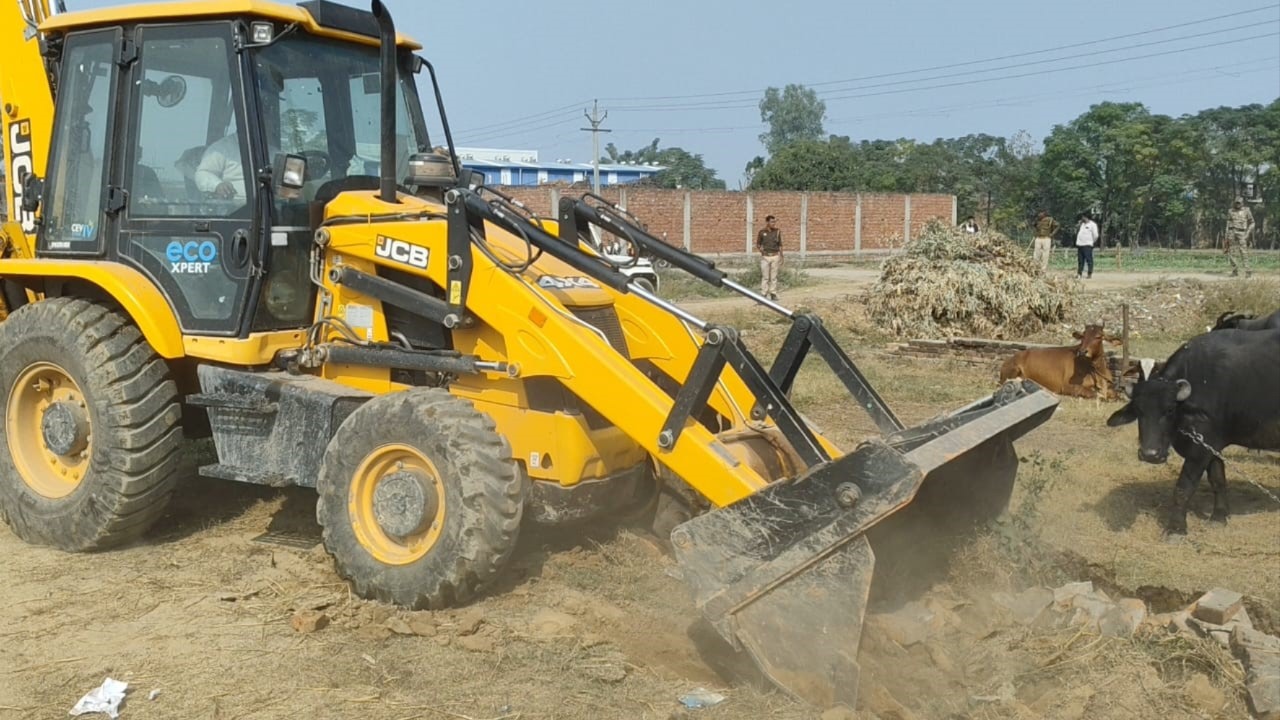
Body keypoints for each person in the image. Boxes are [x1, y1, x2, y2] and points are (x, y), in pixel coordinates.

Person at [194, 132, 247, 199]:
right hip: (238, 205)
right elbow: (202, 173)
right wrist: (217, 185)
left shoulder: (263, 144)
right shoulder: (222, 148)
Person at [1224, 196, 1255, 277]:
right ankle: (1235, 271)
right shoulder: (1230, 211)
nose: (1237, 204)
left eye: (1239, 203)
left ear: (1242, 203)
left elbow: (1252, 222)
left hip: (1242, 233)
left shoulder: (1246, 211)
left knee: (1243, 252)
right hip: (1232, 232)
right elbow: (1228, 222)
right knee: (1231, 252)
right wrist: (1226, 233)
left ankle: (1248, 271)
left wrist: (1248, 233)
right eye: (1236, 202)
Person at [756, 214, 783, 300]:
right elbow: (758, 244)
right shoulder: (762, 232)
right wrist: (762, 252)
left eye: (774, 222)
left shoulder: (777, 231)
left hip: (775, 256)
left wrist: (781, 256)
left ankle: (773, 293)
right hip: (766, 257)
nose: (774, 223)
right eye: (772, 222)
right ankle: (763, 294)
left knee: (774, 277)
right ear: (767, 222)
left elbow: (780, 244)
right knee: (765, 277)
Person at [1075, 212, 1099, 279]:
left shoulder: (1092, 225)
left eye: (1083, 217)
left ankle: (1089, 273)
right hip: (1080, 244)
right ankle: (1079, 273)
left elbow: (1095, 235)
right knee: (1080, 260)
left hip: (1087, 245)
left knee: (1089, 260)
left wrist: (1092, 242)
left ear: (1086, 217)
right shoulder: (1081, 224)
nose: (1082, 218)